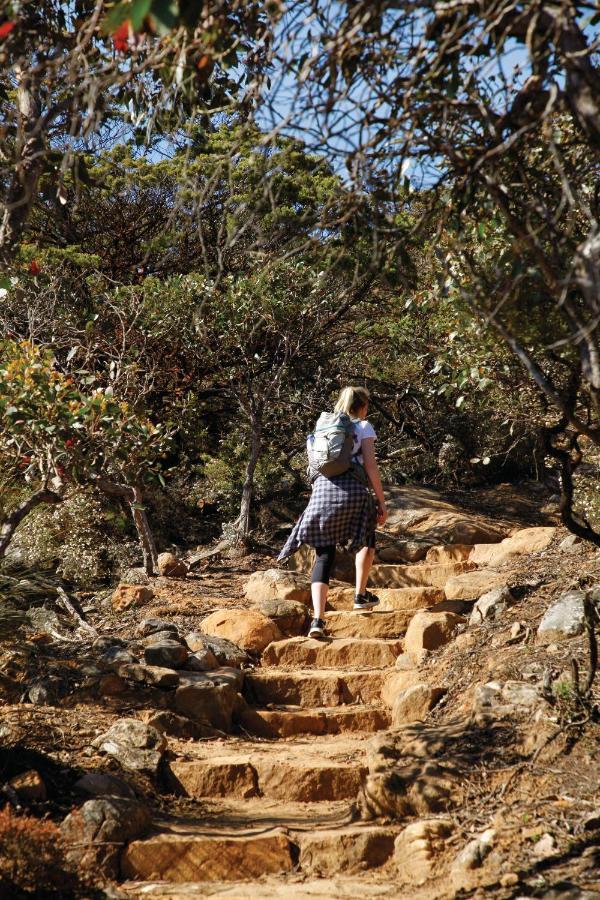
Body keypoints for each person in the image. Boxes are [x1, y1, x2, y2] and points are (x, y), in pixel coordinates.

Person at [278, 385, 388, 638]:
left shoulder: (323, 428)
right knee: (367, 539)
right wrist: (381, 502)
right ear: (362, 406)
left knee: (324, 555)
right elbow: (371, 467)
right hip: (354, 493)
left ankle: (317, 620)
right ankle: (360, 595)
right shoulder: (363, 426)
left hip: (322, 494)